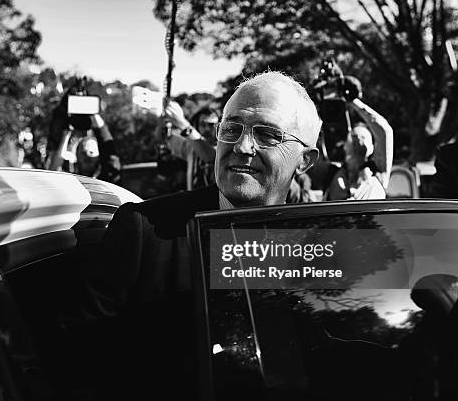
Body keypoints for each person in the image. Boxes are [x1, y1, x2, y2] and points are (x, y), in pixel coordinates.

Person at [62, 71, 322, 400]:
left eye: (267, 135)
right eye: (231, 129)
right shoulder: (145, 230)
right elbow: (77, 357)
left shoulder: (323, 246)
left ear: (305, 161)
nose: (242, 146)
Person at [324, 82, 393, 200]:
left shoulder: (379, 173)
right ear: (344, 146)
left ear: (372, 148)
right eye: (354, 136)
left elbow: (384, 132)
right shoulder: (330, 172)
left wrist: (353, 101)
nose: (358, 139)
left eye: (363, 137)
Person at [165, 101, 219, 190]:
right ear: (197, 126)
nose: (207, 129)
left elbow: (209, 156)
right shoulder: (190, 147)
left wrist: (182, 123)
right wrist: (166, 121)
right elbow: (166, 139)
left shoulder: (224, 148)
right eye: (203, 124)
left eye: (211, 125)